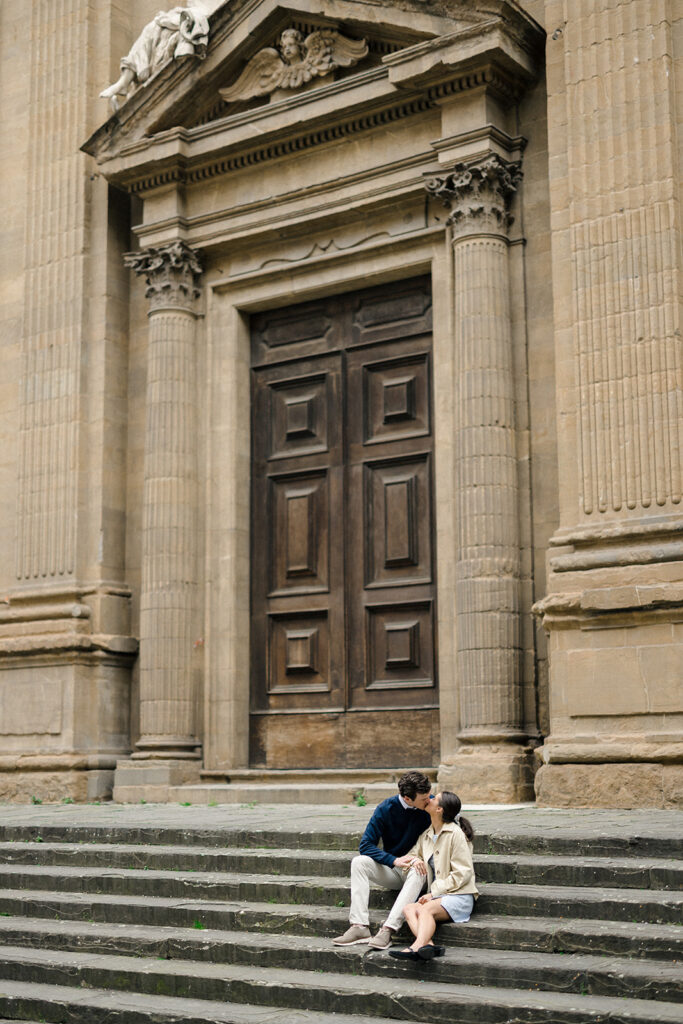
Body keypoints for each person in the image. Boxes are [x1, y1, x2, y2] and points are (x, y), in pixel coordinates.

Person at [332, 771, 432, 948]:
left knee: (418, 870)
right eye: (424, 798)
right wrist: (393, 860)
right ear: (408, 799)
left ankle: (388, 930)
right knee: (359, 862)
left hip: (420, 872)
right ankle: (359, 927)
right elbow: (366, 845)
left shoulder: (430, 806)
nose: (429, 800)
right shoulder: (386, 809)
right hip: (394, 869)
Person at [388, 791, 477, 962]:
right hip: (439, 897)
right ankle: (428, 946)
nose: (429, 798)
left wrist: (433, 893)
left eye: (434, 798)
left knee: (424, 908)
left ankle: (416, 947)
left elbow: (462, 873)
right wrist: (414, 861)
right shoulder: (427, 835)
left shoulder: (456, 834)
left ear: (439, 809)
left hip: (459, 895)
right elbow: (412, 855)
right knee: (408, 909)